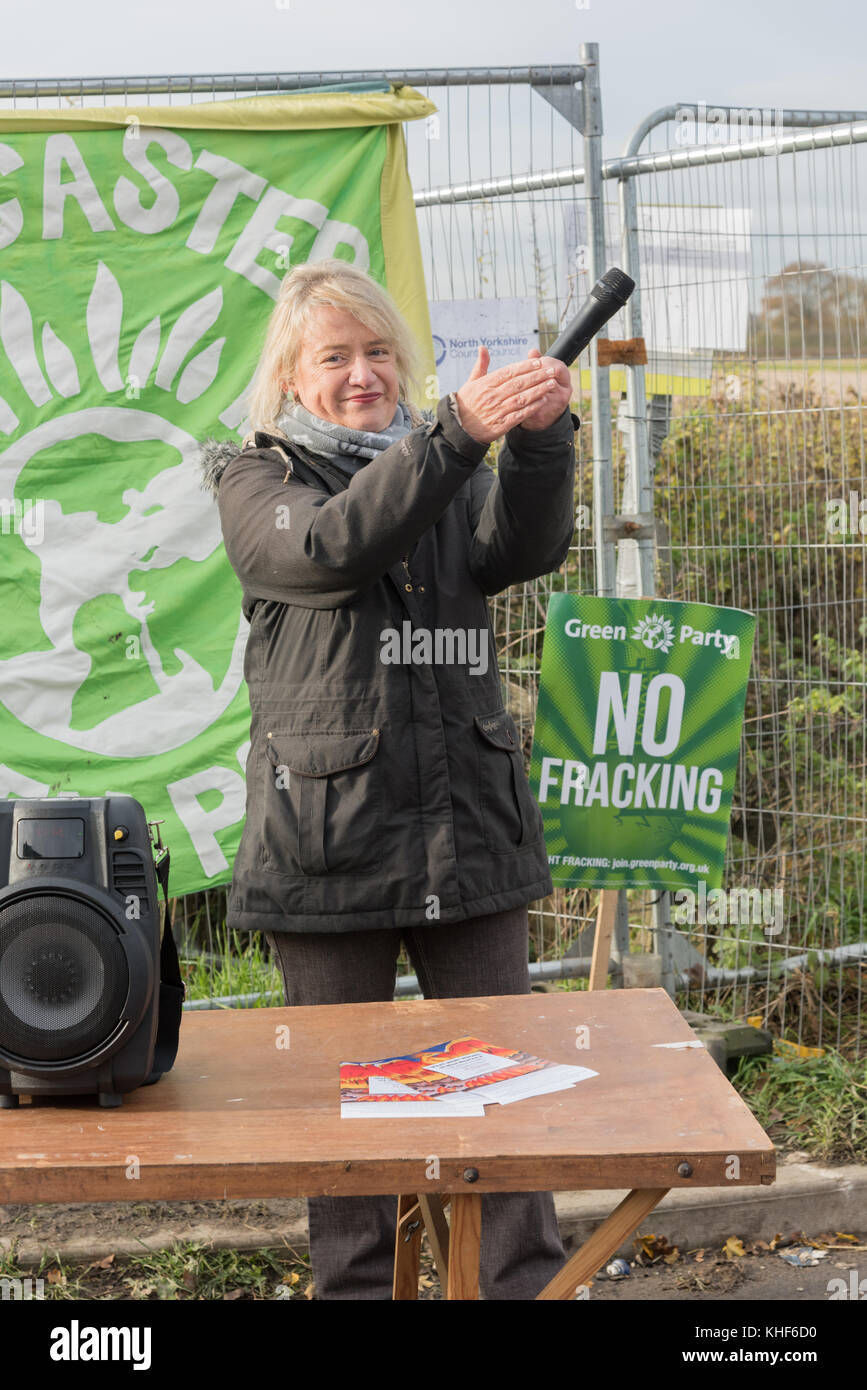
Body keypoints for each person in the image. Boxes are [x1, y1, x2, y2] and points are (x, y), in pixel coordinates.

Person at [198, 258, 578, 1299]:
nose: (362, 373)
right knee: (345, 1119)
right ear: (289, 374)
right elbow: (331, 548)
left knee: (499, 1098)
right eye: (335, 356)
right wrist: (453, 435)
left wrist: (541, 439)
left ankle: (522, 1288)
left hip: (471, 828)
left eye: (377, 353)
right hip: (327, 848)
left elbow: (520, 546)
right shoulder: (253, 479)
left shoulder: (438, 463)